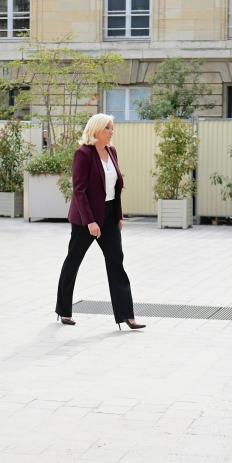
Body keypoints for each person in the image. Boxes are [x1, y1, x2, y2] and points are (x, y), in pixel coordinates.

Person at [55, 113, 146, 331]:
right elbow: (79, 191)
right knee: (73, 262)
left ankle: (127, 316)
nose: (111, 131)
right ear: (96, 130)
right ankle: (64, 310)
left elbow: (116, 187)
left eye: (112, 127)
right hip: (85, 219)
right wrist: (90, 222)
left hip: (109, 216)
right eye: (107, 127)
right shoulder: (83, 154)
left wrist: (118, 215)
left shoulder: (111, 151)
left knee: (116, 263)